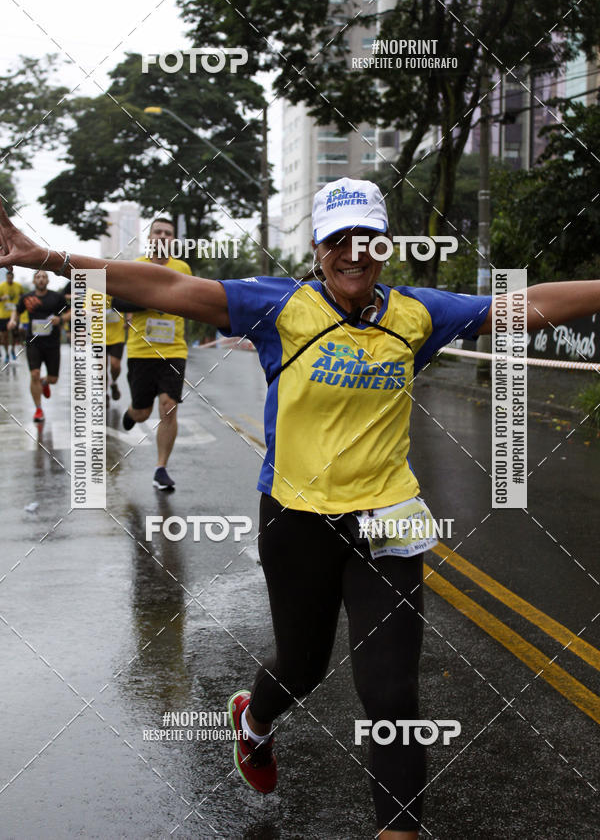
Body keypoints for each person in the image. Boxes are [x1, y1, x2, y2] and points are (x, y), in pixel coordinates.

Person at [2, 179, 600, 838]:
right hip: (296, 522)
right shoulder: (279, 306)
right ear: (316, 248)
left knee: (392, 694)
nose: (353, 253)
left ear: (386, 246)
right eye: (337, 240)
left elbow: (520, 306)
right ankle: (255, 720)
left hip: (389, 521)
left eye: (367, 239)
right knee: (303, 667)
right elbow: (167, 287)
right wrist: (46, 257)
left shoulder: (418, 314)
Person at [110, 217, 192, 491]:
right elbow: (118, 301)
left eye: (168, 233)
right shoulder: (137, 267)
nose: (163, 236)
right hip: (141, 350)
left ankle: (161, 468)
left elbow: (191, 299)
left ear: (173, 240)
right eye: (158, 232)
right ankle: (132, 414)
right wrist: (152, 300)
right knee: (144, 412)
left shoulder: (182, 268)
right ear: (150, 238)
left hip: (174, 350)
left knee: (168, 406)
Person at [8, 269, 70, 422]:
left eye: (44, 277)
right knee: (34, 374)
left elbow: (72, 311)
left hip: (52, 343)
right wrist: (13, 320)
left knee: (53, 379)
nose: (41, 279)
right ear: (34, 281)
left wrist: (61, 319)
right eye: (38, 277)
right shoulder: (27, 298)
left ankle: (45, 381)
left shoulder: (57, 298)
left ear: (48, 281)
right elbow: (16, 311)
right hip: (33, 342)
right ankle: (38, 410)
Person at [0, 267, 22, 363]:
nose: (9, 280)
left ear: (13, 277)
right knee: (4, 336)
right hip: (3, 315)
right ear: (6, 277)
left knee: (14, 335)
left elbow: (22, 296)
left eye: (11, 278)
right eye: (8, 278)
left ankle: (12, 350)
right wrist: (2, 298)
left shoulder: (18, 286)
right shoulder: (1, 286)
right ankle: (7, 354)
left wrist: (20, 300)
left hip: (14, 314)